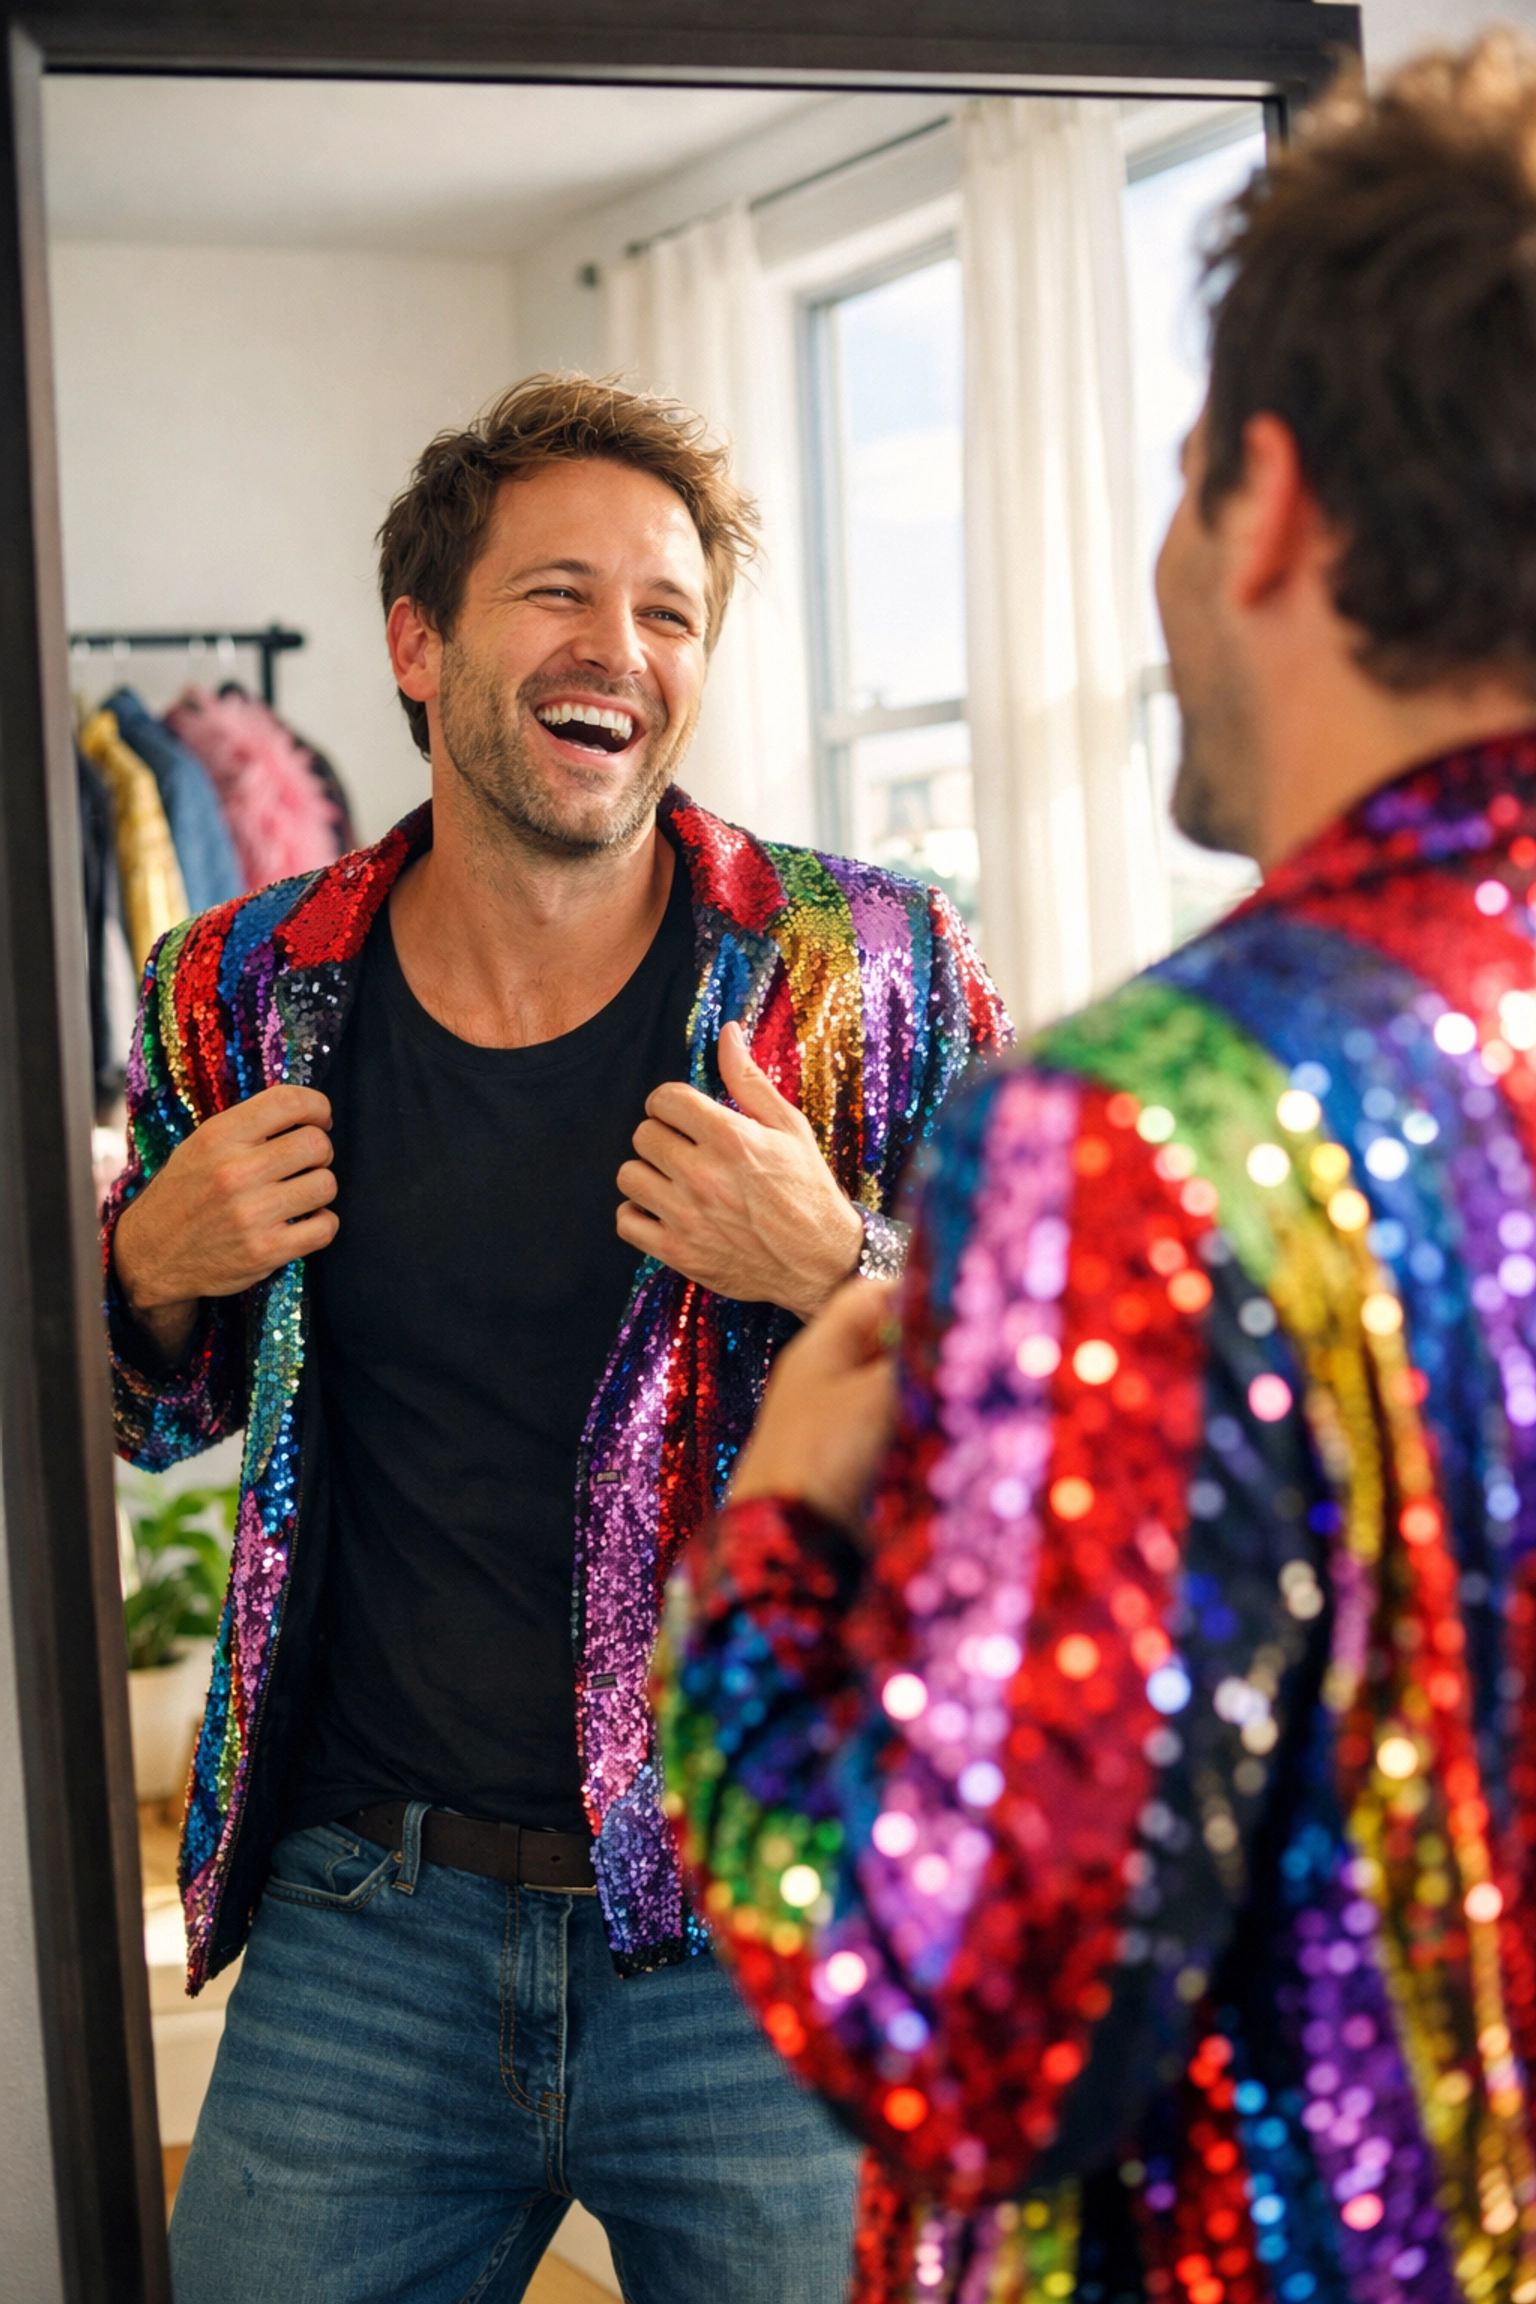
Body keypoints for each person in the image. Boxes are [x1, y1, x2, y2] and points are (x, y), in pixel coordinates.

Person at [670, 38, 1536, 2304]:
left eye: (1169, 487)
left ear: (1264, 501)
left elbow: (959, 2024)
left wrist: (750, 1580)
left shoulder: (1146, 1124)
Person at [103, 373, 1007, 2303]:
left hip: (763, 1936)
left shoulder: (874, 968)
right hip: (373, 1928)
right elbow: (136, 1405)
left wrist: (840, 1268)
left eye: (669, 612)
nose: (621, 651)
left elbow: (1054, 1401)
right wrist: (148, 1264)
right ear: (418, 646)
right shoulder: (241, 990)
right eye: (559, 596)